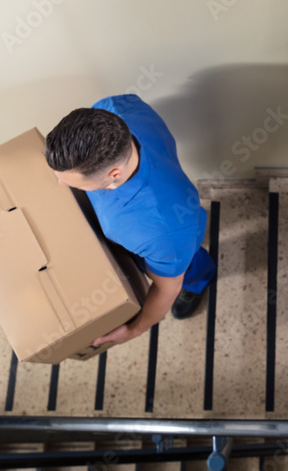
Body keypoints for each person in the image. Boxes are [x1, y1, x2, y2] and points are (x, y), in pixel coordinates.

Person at [45, 94, 215, 347]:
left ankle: (200, 282)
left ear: (115, 174)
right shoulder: (112, 108)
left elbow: (167, 289)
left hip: (175, 237)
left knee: (190, 266)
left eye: (71, 181)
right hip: (170, 217)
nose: (60, 183)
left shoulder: (161, 232)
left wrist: (134, 329)